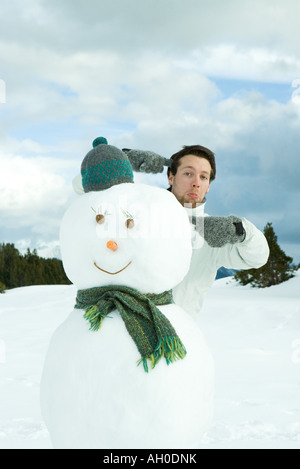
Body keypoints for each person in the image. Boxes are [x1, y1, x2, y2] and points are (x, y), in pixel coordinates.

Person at [123, 144, 269, 319]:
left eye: (203, 177)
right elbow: (84, 194)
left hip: (176, 336)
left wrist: (240, 230)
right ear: (171, 176)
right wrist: (117, 162)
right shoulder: (138, 213)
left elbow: (258, 258)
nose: (196, 183)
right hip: (122, 330)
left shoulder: (212, 233)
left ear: (208, 186)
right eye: (188, 173)